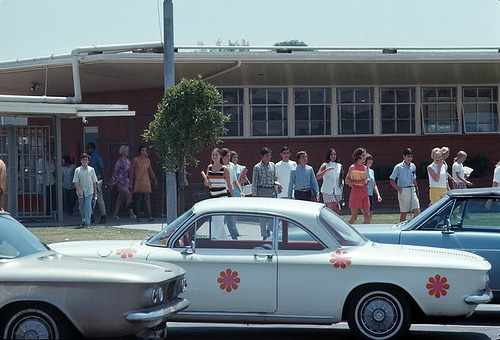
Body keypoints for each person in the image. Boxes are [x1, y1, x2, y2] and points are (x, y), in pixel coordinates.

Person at [252, 147, 281, 239]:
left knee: (273, 211)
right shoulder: (257, 167)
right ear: (262, 156)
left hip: (271, 190)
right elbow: (255, 181)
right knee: (262, 215)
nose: (268, 157)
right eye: (266, 155)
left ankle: (270, 229)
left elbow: (274, 178)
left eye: (269, 155)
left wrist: (277, 185)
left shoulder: (273, 165)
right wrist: (254, 194)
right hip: (261, 190)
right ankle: (264, 234)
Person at [389, 148, 421, 222]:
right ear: (404, 156)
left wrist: (416, 188)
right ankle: (402, 228)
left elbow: (414, 178)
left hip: (412, 189)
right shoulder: (398, 167)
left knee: (417, 210)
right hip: (403, 189)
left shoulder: (413, 166)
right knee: (404, 212)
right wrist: (399, 189)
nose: (409, 158)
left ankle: (415, 226)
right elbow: (392, 180)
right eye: (408, 156)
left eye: (411, 156)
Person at [130, 145, 158, 222]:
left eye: (145, 151)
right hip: (138, 180)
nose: (144, 152)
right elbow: (132, 172)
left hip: (146, 180)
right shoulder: (135, 160)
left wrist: (154, 180)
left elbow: (150, 171)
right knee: (138, 199)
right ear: (139, 151)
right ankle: (138, 216)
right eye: (142, 150)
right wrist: (131, 182)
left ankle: (150, 216)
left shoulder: (148, 160)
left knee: (147, 198)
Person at [109, 145, 137, 221]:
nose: (127, 152)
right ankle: (131, 213)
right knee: (129, 196)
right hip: (120, 181)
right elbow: (115, 172)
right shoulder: (119, 162)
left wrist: (130, 181)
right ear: (123, 152)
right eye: (126, 151)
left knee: (120, 198)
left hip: (126, 180)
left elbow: (130, 172)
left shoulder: (128, 161)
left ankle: (115, 214)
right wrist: (112, 182)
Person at [346, 148, 370, 224]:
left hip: (364, 192)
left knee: (367, 217)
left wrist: (366, 181)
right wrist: (358, 181)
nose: (364, 157)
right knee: (354, 217)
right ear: (358, 156)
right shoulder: (353, 167)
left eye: (365, 155)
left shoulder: (365, 168)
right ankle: (346, 231)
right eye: (363, 155)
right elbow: (347, 181)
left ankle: (362, 232)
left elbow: (364, 181)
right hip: (356, 192)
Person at [73, 153, 98, 228]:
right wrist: (78, 190)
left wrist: (95, 193)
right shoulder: (77, 170)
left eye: (86, 160)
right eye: (83, 160)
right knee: (81, 206)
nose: (84, 161)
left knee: (88, 206)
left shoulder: (91, 170)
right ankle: (83, 219)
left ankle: (87, 223)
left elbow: (94, 182)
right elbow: (75, 182)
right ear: (81, 161)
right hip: (80, 191)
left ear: (88, 161)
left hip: (89, 190)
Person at [316, 148, 344, 214]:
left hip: (337, 191)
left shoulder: (339, 165)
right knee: (333, 208)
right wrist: (326, 170)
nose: (333, 156)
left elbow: (341, 176)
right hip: (327, 190)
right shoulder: (325, 165)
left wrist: (342, 182)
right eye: (331, 154)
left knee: (337, 210)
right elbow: (317, 177)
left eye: (334, 154)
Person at [86, 142, 107, 224]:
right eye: (87, 148)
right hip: (88, 180)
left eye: (89, 148)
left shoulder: (97, 158)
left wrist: (104, 181)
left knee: (99, 199)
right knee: (89, 199)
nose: (88, 150)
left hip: (97, 179)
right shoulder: (86, 158)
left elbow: (102, 169)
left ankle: (103, 216)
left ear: (93, 149)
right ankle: (91, 216)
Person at [364, 154, 382, 221]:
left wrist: (378, 195)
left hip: (370, 195)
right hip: (364, 195)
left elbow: (374, 185)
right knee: (367, 216)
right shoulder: (363, 170)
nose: (372, 161)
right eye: (370, 160)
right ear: (366, 160)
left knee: (369, 216)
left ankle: (362, 228)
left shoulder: (372, 171)